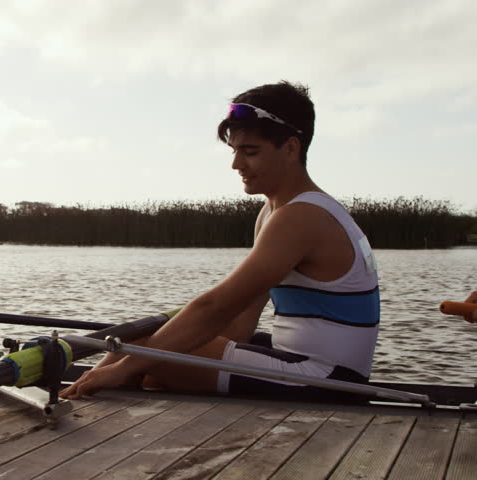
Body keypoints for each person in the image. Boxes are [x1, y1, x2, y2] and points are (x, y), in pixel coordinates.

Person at [61, 81, 380, 399]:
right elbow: (240, 321)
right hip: (301, 363)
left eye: (250, 152)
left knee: (140, 352)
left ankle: (78, 404)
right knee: (150, 354)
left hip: (330, 379)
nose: (236, 165)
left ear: (291, 148)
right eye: (234, 151)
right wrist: (166, 359)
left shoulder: (301, 217)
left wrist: (125, 367)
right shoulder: (273, 212)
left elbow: (215, 306)